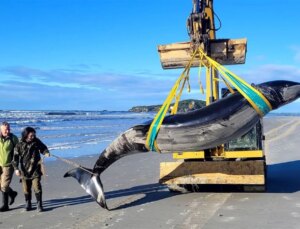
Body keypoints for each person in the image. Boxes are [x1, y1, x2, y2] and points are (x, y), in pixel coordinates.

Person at [12, 127, 50, 212]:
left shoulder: (36, 141)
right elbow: (15, 158)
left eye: (34, 135)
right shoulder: (19, 144)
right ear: (26, 135)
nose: (33, 137)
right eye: (31, 135)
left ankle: (39, 205)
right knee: (26, 188)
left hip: (36, 168)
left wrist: (46, 152)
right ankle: (28, 203)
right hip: (24, 171)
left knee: (37, 186)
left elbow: (43, 148)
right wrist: (16, 169)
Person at [0, 122, 19, 212]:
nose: (7, 131)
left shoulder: (13, 138)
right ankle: (12, 193)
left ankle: (5, 205)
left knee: (4, 186)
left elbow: (18, 151)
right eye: (5, 130)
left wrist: (17, 167)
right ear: (1, 130)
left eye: (8, 129)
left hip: (8, 165)